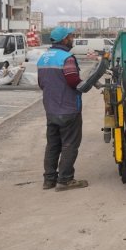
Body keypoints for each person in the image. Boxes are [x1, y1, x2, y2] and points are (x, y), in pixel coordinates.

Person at [37, 26, 87, 191]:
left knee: (53, 145)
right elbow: (73, 81)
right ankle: (65, 180)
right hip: (68, 109)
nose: (72, 39)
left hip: (51, 109)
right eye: (71, 36)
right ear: (65, 39)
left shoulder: (43, 58)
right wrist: (87, 84)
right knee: (69, 144)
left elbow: (41, 83)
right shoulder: (67, 58)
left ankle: (49, 180)